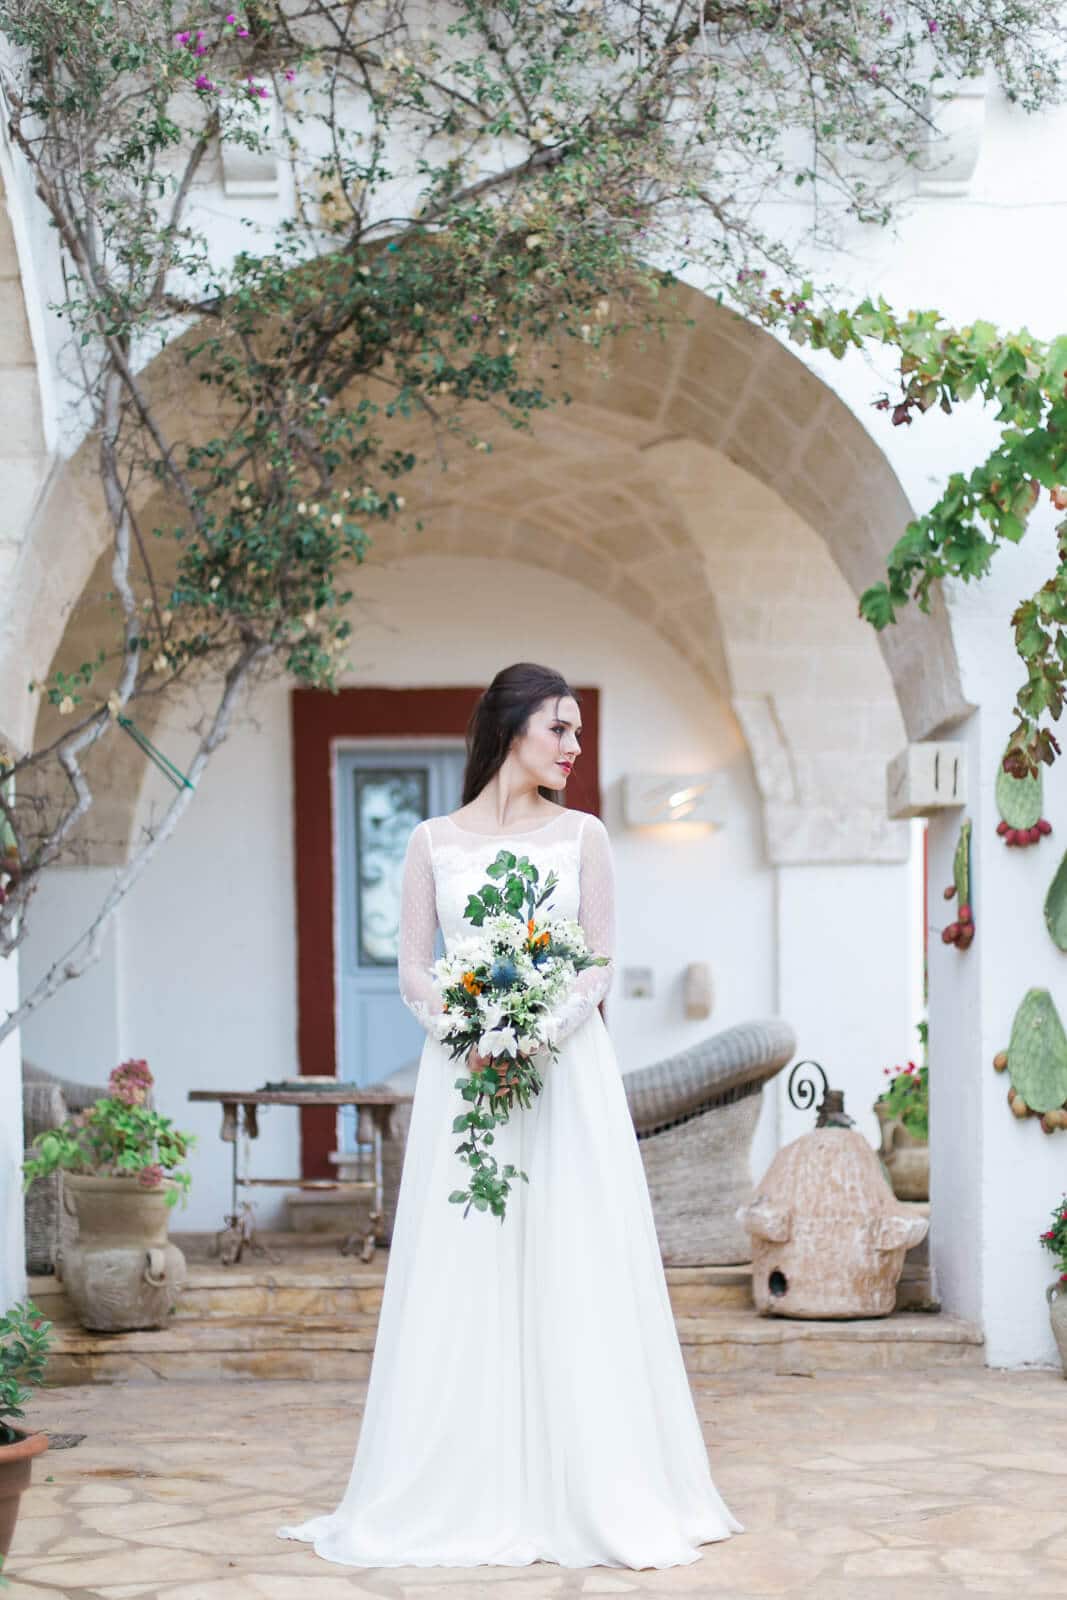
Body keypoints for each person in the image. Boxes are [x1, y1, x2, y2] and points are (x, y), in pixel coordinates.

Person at [278, 661, 744, 1569]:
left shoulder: (583, 837)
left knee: (572, 1256)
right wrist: (468, 1031)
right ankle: (462, 1484)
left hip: (564, 1077)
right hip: (466, 1081)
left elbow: (598, 961)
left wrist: (533, 1031)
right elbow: (414, 964)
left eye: (578, 731)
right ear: (510, 727)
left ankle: (591, 1483)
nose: (573, 747)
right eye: (558, 728)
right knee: (468, 1261)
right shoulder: (430, 842)